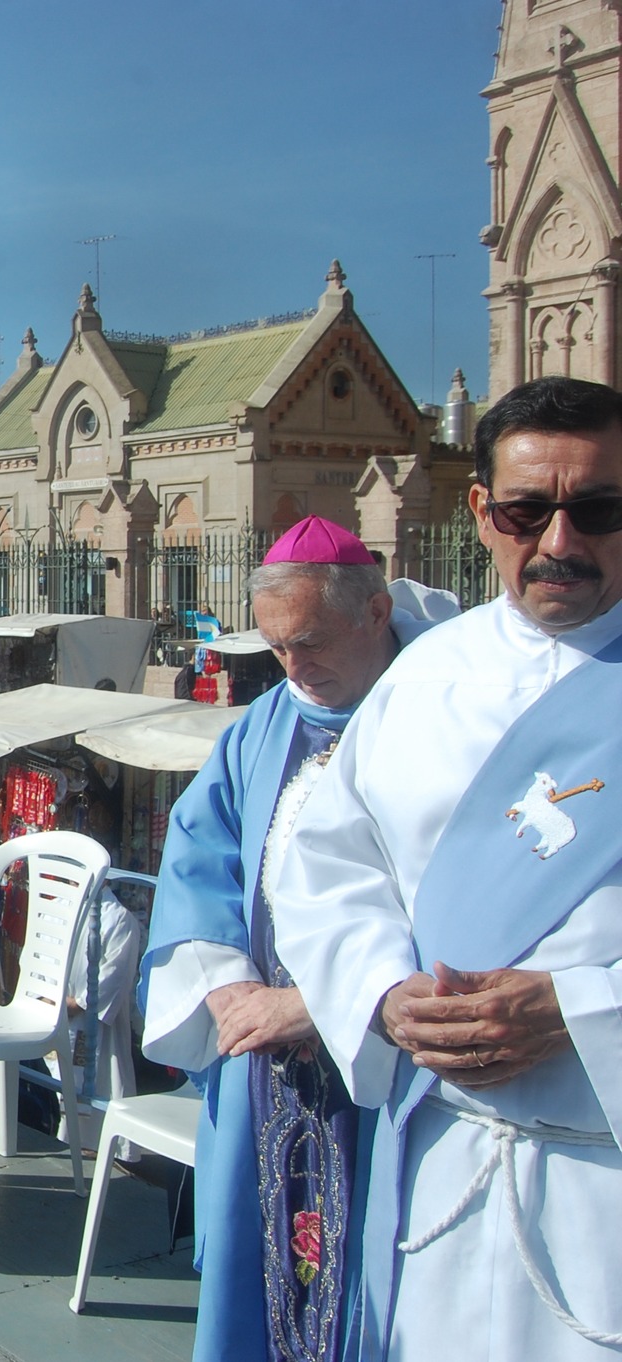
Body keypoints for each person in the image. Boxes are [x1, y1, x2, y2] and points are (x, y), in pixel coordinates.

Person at [270, 376, 622, 1361]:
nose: (558, 542)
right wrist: (380, 996)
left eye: (595, 510)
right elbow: (328, 874)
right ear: (479, 513)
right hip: (440, 1163)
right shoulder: (423, 677)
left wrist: (579, 1012)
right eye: (524, 511)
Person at [142, 516, 453, 1360]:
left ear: (378, 609)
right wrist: (226, 984)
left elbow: (467, 897)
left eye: (309, 642)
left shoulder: (448, 709)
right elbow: (196, 855)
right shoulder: (264, 724)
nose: (293, 668)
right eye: (276, 648)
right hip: (269, 1058)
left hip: (395, 1065)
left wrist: (322, 1002)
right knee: (264, 1264)